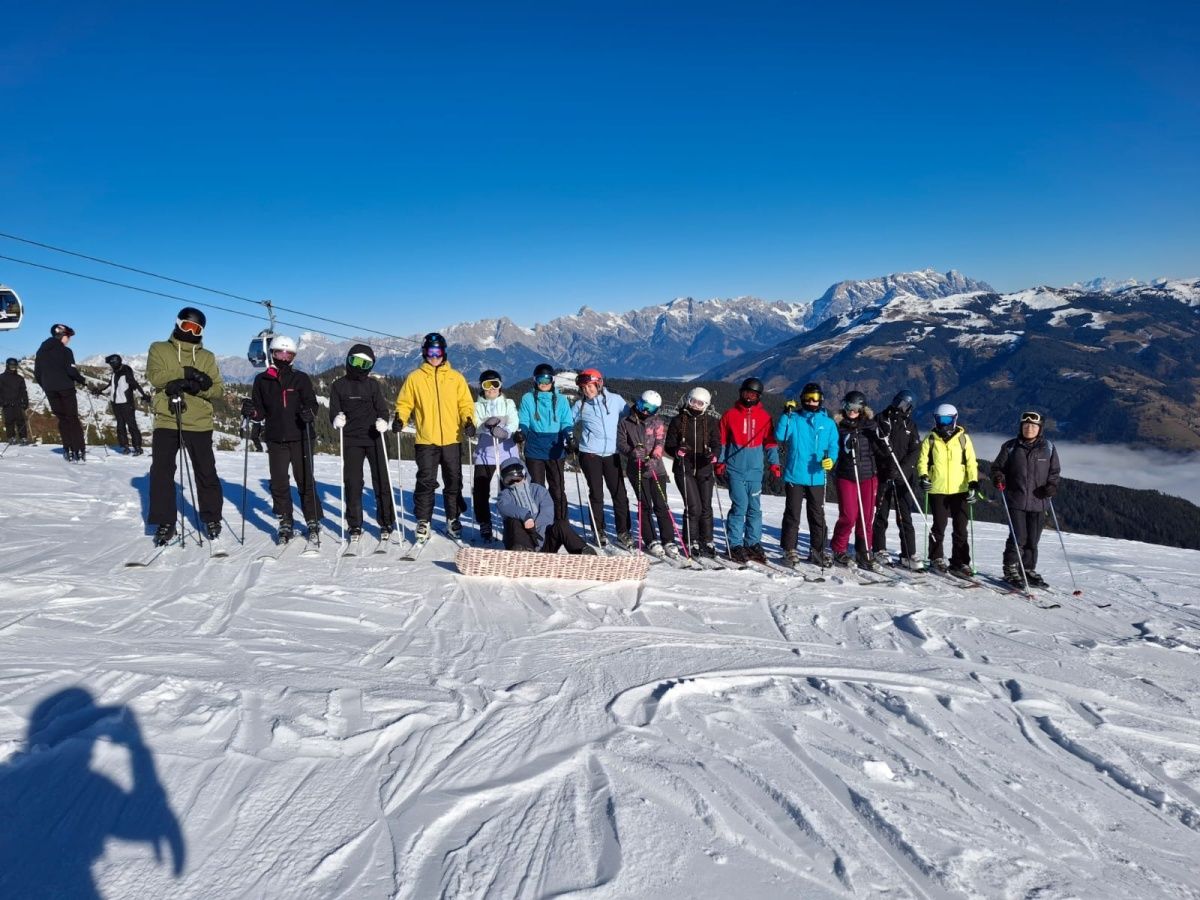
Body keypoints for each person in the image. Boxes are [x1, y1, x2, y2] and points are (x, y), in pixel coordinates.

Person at [145, 307, 225, 545]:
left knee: (206, 471)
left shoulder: (207, 357)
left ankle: (212, 517)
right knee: (161, 472)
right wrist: (185, 372)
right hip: (167, 418)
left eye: (196, 329)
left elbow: (217, 389)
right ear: (177, 324)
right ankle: (165, 521)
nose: (191, 332)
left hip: (199, 421)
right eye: (187, 326)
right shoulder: (159, 348)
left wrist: (197, 386)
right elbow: (155, 376)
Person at [392, 332, 475, 541]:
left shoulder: (455, 377)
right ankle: (423, 520)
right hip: (426, 440)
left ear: (444, 352)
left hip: (452, 438)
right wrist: (400, 418)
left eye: (438, 352)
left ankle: (453, 518)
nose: (434, 357)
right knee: (426, 481)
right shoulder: (415, 378)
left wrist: (468, 420)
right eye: (431, 352)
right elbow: (405, 403)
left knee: (453, 481)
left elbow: (465, 404)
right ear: (424, 353)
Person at [245, 335, 320, 544]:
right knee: (279, 482)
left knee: (305, 480)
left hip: (301, 436)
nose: (284, 358)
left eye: (289, 355)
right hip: (276, 438)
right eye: (280, 353)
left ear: (293, 357)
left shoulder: (300, 378)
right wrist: (252, 412)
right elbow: (260, 411)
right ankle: (285, 519)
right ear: (272, 354)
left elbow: (312, 403)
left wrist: (309, 413)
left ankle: (312, 519)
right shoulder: (262, 380)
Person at [329, 343, 395, 542]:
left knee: (382, 481)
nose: (359, 367)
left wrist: (384, 421)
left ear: (370, 366)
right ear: (349, 360)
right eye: (355, 361)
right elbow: (334, 410)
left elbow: (382, 409)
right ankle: (354, 524)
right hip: (352, 440)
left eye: (364, 364)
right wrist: (336, 419)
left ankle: (386, 522)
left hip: (375, 438)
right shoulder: (339, 386)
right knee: (353, 482)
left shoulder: (372, 385)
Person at [991, 411, 1061, 587]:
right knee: (1019, 536)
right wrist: (998, 477)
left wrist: (1052, 486)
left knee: (1033, 539)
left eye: (1033, 426)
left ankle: (1027, 569)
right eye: (1026, 425)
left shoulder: (1049, 448)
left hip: (1039, 501)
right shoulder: (1010, 447)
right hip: (1017, 499)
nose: (1029, 428)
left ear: (1040, 428)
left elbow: (1054, 472)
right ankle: (1010, 568)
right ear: (1021, 427)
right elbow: (997, 468)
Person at [716, 377, 780, 564]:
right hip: (735, 469)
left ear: (759, 396)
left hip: (755, 471)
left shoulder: (765, 417)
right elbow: (722, 442)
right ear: (741, 393)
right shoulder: (730, 415)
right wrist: (720, 462)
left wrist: (774, 464)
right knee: (740, 506)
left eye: (753, 395)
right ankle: (734, 545)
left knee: (754, 509)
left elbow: (770, 443)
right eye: (746, 393)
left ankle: (752, 543)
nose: (749, 397)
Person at [774, 382, 838, 567]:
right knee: (793, 513)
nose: (811, 402)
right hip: (795, 474)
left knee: (817, 515)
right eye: (808, 398)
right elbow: (780, 436)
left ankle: (818, 550)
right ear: (802, 399)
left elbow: (833, 446)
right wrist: (786, 415)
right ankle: (789, 549)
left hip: (816, 475)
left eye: (815, 398)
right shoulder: (794, 419)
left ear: (821, 400)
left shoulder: (828, 423)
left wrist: (831, 460)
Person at [570, 368, 633, 549]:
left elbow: (630, 418)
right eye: (583, 388)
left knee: (619, 494)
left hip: (612, 453)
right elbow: (567, 422)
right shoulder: (581, 405)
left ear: (599, 384)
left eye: (590, 386)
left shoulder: (615, 400)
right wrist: (569, 438)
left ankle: (623, 532)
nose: (587, 390)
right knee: (596, 494)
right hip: (590, 454)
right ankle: (598, 531)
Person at [916, 403, 980, 578]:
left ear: (954, 419)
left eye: (947, 419)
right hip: (938, 488)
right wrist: (923, 476)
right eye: (940, 419)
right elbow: (922, 461)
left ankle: (960, 561)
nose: (943, 423)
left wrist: (973, 482)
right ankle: (936, 557)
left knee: (960, 527)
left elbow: (971, 462)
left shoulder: (963, 439)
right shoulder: (930, 438)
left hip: (960, 489)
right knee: (939, 525)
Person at [617, 390, 680, 557]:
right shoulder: (626, 422)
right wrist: (632, 452)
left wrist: (654, 457)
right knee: (645, 505)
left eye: (650, 409)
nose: (645, 411)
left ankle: (668, 539)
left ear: (655, 410)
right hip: (636, 469)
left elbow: (660, 442)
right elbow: (621, 443)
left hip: (656, 469)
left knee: (661, 504)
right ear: (638, 403)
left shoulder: (657, 422)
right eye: (642, 406)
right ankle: (650, 539)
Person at [830, 390, 886, 569]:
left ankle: (864, 551)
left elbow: (880, 451)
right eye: (849, 406)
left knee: (866, 516)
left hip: (868, 476)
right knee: (848, 516)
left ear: (862, 408)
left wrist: (882, 439)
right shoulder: (837, 426)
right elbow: (832, 448)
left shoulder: (870, 426)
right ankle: (839, 549)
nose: (852, 411)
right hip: (846, 475)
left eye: (856, 407)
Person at [665, 386, 721, 558]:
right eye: (693, 401)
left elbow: (716, 443)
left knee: (706, 507)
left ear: (706, 405)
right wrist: (677, 451)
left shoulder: (710, 422)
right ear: (688, 400)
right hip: (684, 468)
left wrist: (714, 455)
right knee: (693, 506)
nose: (695, 405)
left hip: (704, 468)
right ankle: (691, 540)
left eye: (700, 403)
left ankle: (707, 540)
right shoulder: (678, 421)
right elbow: (669, 445)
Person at [495, 459, 595, 554]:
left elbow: (547, 511)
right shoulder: (505, 494)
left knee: (561, 524)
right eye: (509, 480)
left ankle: (583, 552)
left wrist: (537, 529)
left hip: (543, 539)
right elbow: (504, 506)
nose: (515, 482)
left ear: (524, 473)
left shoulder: (538, 490)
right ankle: (523, 553)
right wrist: (525, 516)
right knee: (513, 521)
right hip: (521, 544)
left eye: (517, 477)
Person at [871, 389, 923, 569]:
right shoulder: (880, 419)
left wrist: (902, 470)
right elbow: (874, 445)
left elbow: (915, 450)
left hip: (903, 477)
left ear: (909, 408)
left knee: (905, 516)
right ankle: (879, 549)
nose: (899, 407)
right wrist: (886, 465)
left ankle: (908, 553)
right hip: (884, 474)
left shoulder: (910, 425)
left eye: (904, 405)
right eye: (897, 402)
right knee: (881, 513)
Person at [518, 363, 573, 521]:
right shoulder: (528, 398)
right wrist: (522, 432)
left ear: (552, 380)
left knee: (557, 488)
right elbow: (524, 420)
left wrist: (570, 437)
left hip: (555, 449)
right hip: (534, 449)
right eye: (540, 379)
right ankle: (541, 522)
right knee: (537, 488)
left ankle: (561, 521)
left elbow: (566, 421)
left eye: (547, 379)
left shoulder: (561, 400)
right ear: (534, 380)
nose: (543, 383)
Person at [471, 369, 520, 543]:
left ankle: (511, 522)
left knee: (509, 490)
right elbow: (476, 424)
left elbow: (514, 421)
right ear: (482, 387)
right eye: (487, 385)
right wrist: (486, 427)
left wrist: (505, 431)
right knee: (480, 490)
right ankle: (484, 523)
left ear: (500, 386)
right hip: (485, 454)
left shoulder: (508, 403)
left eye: (495, 384)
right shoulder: (476, 406)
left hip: (507, 453)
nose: (491, 388)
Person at [34, 323, 87, 461]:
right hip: (66, 389)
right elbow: (71, 371)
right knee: (72, 418)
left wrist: (46, 386)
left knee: (62, 419)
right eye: (68, 336)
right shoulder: (66, 351)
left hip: (50, 390)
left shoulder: (41, 351)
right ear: (62, 335)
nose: (69, 339)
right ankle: (78, 449)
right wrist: (83, 381)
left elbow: (37, 373)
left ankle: (67, 448)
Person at [91, 353, 150, 455]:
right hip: (116, 404)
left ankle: (137, 447)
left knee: (132, 425)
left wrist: (143, 395)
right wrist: (100, 391)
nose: (110, 366)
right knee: (120, 426)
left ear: (116, 362)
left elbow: (134, 385)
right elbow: (111, 387)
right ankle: (125, 446)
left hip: (126, 403)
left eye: (111, 364)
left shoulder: (126, 371)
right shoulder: (115, 372)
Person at [1, 357, 30, 444]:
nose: (13, 368)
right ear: (7, 366)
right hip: (6, 403)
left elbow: (23, 391)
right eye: (11, 366)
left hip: (18, 403)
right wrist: (2, 402)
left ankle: (23, 437)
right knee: (9, 421)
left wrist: (25, 402)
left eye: (14, 366)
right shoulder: (1, 377)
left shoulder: (19, 378)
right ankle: (11, 437)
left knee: (21, 420)